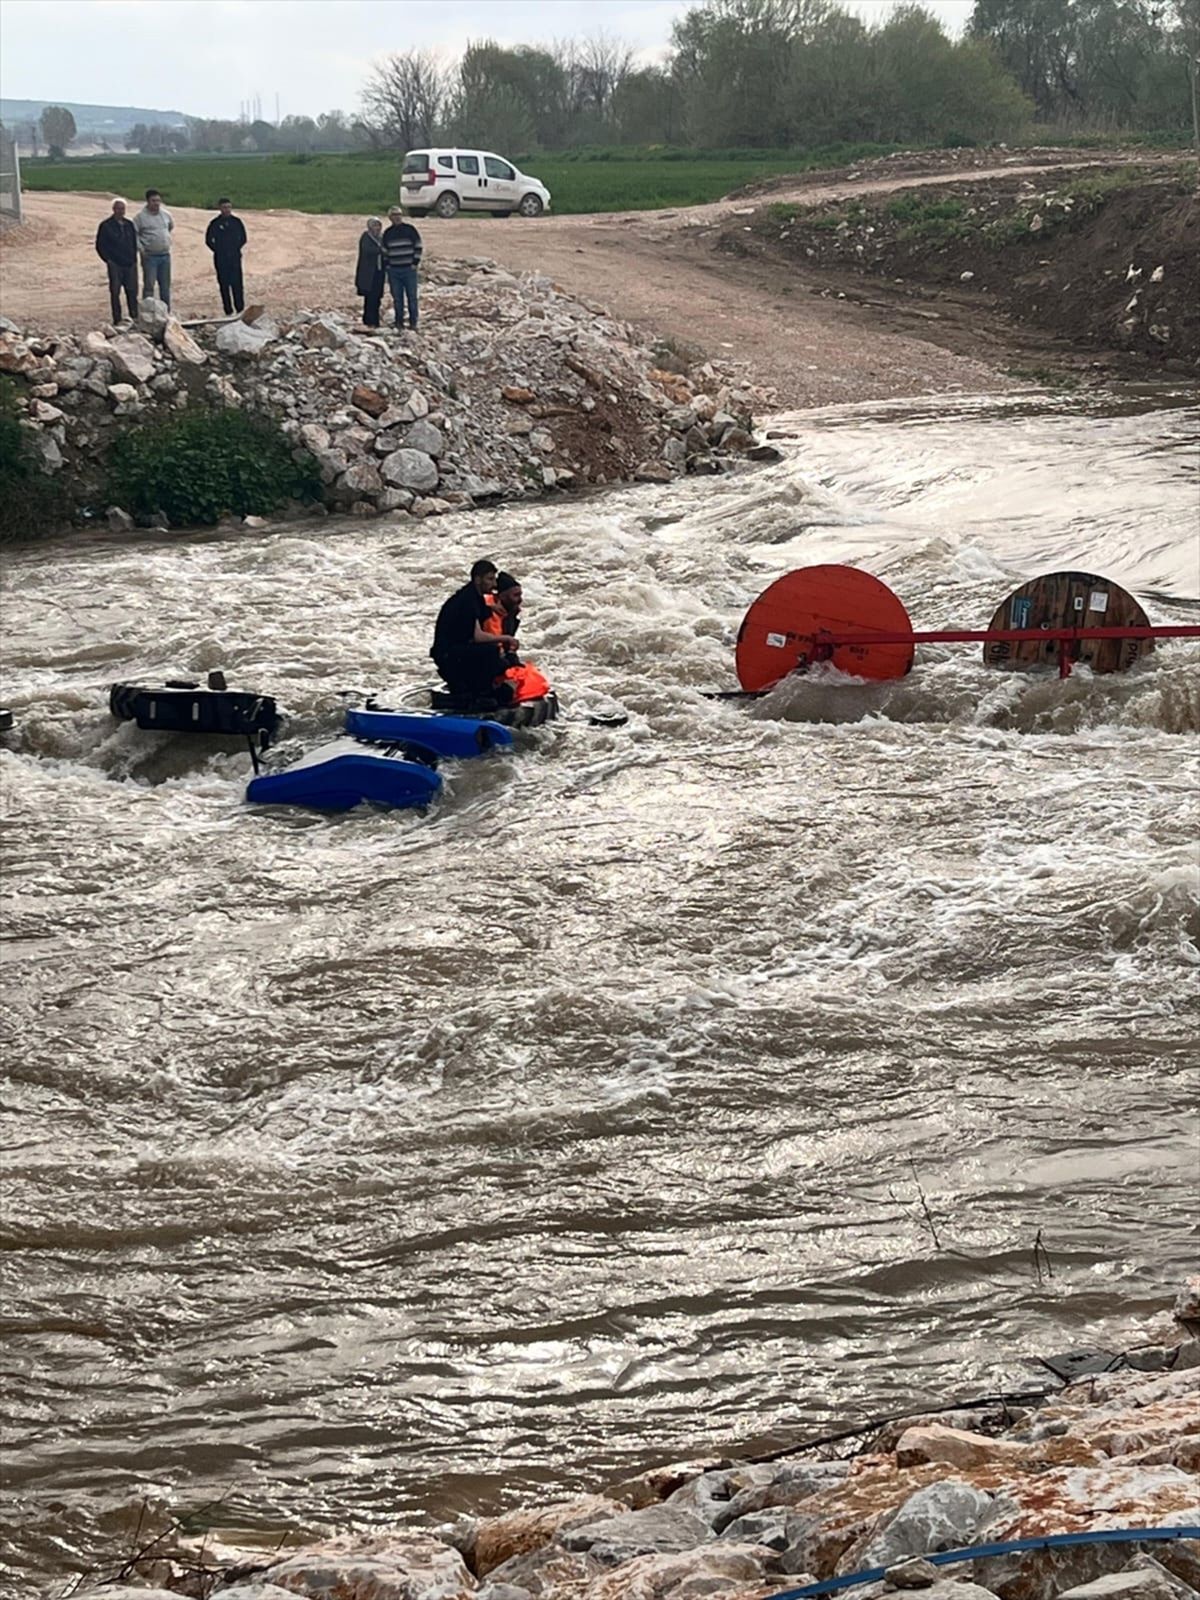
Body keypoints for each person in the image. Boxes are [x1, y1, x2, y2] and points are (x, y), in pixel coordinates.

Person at [431, 559, 518, 703]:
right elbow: (478, 636)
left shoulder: (474, 597)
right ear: (478, 579)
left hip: (455, 651)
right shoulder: (467, 600)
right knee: (491, 652)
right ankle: (479, 693)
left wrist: (492, 608)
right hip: (448, 656)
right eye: (490, 579)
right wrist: (506, 638)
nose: (494, 585)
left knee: (498, 658)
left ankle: (481, 689)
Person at [94, 197, 138, 324]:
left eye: (122, 208)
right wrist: (108, 260)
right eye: (118, 208)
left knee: (132, 291)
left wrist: (134, 259)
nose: (120, 211)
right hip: (115, 264)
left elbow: (134, 243)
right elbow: (100, 245)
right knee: (115, 292)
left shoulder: (129, 225)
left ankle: (134, 316)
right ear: (113, 209)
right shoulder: (106, 226)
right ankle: (117, 319)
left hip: (130, 263)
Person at [381, 205, 422, 332]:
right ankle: (399, 322)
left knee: (412, 297)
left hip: (409, 269)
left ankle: (413, 322)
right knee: (397, 298)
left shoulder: (410, 230)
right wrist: (387, 266)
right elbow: (384, 251)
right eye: (394, 215)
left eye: (399, 214)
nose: (397, 217)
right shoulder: (387, 233)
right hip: (394, 270)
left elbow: (418, 246)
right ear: (390, 218)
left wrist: (415, 263)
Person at [204, 197, 247, 315]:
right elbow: (208, 240)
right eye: (224, 207)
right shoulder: (215, 223)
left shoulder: (237, 222)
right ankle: (228, 310)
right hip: (221, 258)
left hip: (234, 257)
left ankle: (240, 308)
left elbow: (243, 238)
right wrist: (218, 250)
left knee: (237, 284)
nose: (227, 210)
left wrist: (235, 248)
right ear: (219, 208)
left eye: (228, 207)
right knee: (224, 284)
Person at [133, 188, 173, 306]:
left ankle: (166, 311)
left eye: (158, 200)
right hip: (150, 256)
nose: (156, 203)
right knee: (149, 285)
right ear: (147, 201)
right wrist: (141, 248)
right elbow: (134, 235)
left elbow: (170, 227)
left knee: (165, 286)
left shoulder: (166, 215)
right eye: (153, 201)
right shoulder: (140, 217)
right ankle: (148, 312)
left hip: (165, 255)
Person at [355, 216, 385, 329]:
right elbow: (367, 250)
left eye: (378, 225)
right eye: (374, 225)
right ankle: (368, 320)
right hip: (368, 273)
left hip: (379, 271)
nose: (377, 228)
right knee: (369, 298)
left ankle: (375, 320)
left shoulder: (381, 238)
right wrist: (381, 251)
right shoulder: (366, 237)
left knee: (377, 297)